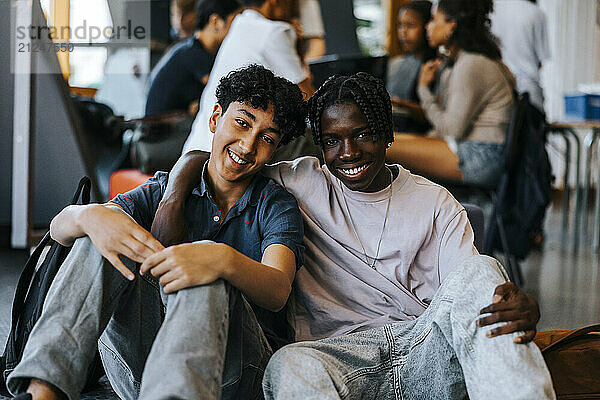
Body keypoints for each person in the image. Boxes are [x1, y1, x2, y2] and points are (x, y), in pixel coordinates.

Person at [153, 73, 555, 398]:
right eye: (332, 140)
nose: (348, 152)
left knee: (484, 270)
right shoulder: (304, 181)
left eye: (362, 134)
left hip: (422, 349)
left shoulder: (435, 203)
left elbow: (468, 293)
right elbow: (224, 160)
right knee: (286, 366)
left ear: (387, 134)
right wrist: (172, 196)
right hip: (334, 356)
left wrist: (510, 299)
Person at [7, 65, 307, 400]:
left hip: (233, 376)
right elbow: (58, 230)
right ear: (215, 118)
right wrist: (89, 216)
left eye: (267, 138)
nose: (248, 145)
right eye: (242, 122)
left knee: (205, 269)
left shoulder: (275, 204)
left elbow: (278, 288)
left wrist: (220, 259)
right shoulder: (162, 188)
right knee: (103, 231)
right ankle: (43, 390)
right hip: (137, 368)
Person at [387, 0, 516, 186]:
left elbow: (451, 129)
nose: (427, 27)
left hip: (479, 157)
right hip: (475, 149)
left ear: (451, 26)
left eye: (433, 20)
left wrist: (423, 89)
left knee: (383, 146)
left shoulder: (471, 63)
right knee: (388, 139)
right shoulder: (467, 60)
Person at [181, 0, 316, 157]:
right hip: (231, 152)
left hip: (198, 150)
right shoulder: (273, 32)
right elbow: (309, 100)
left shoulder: (242, 23)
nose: (296, 9)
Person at [145, 0, 240, 116]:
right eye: (235, 21)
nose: (239, 28)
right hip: (163, 129)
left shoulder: (189, 47)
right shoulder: (195, 54)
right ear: (216, 22)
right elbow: (227, 92)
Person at [491, 0, 551, 111]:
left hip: (498, 87)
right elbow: (541, 59)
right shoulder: (536, 13)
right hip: (529, 90)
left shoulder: (492, 10)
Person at [386, 0, 435, 132]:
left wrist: (398, 103)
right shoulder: (395, 63)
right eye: (400, 25)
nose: (403, 32)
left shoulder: (435, 66)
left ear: (428, 26)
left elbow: (432, 116)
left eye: (411, 26)